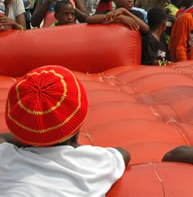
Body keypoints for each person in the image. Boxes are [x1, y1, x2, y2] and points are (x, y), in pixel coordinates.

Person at [0, 65, 129, 196]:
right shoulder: (94, 163)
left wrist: (32, 136)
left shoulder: (5, 158)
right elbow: (124, 154)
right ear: (78, 122)